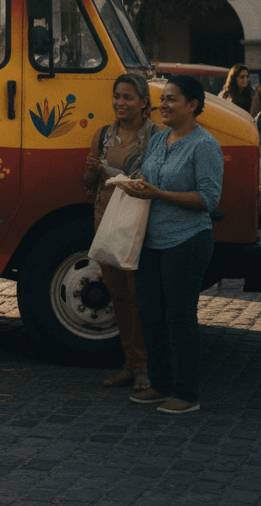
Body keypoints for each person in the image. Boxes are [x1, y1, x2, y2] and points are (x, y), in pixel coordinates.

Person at [116, 75, 223, 415]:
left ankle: (187, 394)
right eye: (163, 100)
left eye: (172, 100)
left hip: (187, 241)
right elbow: (151, 177)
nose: (163, 105)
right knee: (150, 314)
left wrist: (158, 194)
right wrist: (138, 184)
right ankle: (160, 385)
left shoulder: (204, 145)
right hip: (152, 240)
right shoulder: (159, 139)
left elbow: (208, 199)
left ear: (193, 105)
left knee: (180, 318)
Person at [83, 74, 162, 392]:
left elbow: (149, 179)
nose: (120, 102)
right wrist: (91, 171)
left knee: (142, 298)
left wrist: (108, 173)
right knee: (119, 297)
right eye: (116, 96)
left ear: (144, 103)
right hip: (107, 223)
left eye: (128, 97)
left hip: (142, 225)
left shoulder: (157, 136)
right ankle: (130, 364)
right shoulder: (103, 134)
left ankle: (146, 367)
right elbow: (90, 186)